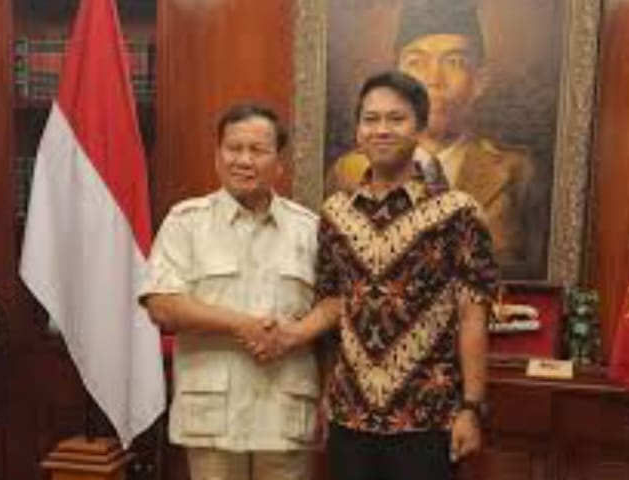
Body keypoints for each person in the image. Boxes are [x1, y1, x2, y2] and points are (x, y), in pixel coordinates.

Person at [139, 104, 339, 480]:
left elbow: (335, 305)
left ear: (279, 163)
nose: (244, 160)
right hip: (213, 417)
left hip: (285, 413)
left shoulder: (309, 229)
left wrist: (297, 338)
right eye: (234, 148)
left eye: (258, 150)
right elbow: (161, 305)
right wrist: (241, 325)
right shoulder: (186, 222)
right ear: (218, 157)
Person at [316, 71, 498, 480]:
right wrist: (326, 392)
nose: (381, 129)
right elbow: (332, 305)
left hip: (429, 417)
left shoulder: (458, 211)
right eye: (371, 119)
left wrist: (471, 407)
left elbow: (473, 315)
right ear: (358, 130)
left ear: (419, 128)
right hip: (350, 417)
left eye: (396, 119)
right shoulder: (335, 212)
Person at [328, 0, 538, 274]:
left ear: (479, 80)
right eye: (416, 62)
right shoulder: (350, 171)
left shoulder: (517, 172)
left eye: (454, 62)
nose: (433, 79)